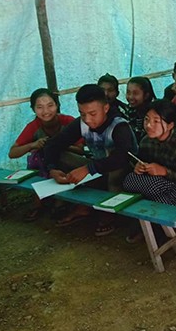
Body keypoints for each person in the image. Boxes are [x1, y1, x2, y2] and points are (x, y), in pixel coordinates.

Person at [44, 84, 137, 235]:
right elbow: (52, 145)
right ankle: (84, 206)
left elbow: (122, 158)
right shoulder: (82, 123)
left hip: (125, 177)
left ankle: (109, 215)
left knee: (116, 169)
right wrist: (52, 168)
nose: (87, 119)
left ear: (105, 108)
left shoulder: (119, 125)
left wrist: (88, 168)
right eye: (82, 113)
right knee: (62, 156)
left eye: (93, 113)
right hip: (99, 172)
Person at [8, 88, 78, 221]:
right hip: (45, 168)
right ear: (33, 109)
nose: (46, 111)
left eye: (50, 105)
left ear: (57, 105)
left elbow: (81, 150)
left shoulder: (68, 121)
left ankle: (60, 202)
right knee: (40, 159)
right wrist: (32, 145)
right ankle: (41, 202)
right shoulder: (34, 126)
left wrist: (58, 144)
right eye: (40, 107)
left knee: (60, 157)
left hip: (68, 165)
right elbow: (12, 153)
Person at [123, 99, 176, 208]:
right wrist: (139, 167)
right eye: (147, 119)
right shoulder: (146, 141)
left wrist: (165, 172)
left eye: (156, 121)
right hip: (158, 186)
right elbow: (144, 165)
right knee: (129, 180)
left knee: (153, 189)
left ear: (170, 125)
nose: (149, 125)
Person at [124, 76, 156, 143]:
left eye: (135, 93)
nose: (131, 97)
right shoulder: (129, 110)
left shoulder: (152, 114)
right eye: (128, 92)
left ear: (146, 95)